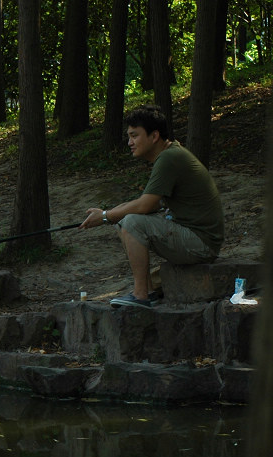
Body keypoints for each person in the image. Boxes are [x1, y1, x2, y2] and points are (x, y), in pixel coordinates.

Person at [79, 105, 225, 308]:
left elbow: (145, 205)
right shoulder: (169, 154)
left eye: (134, 136)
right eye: (129, 137)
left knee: (131, 222)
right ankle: (148, 290)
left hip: (201, 243)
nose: (129, 143)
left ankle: (141, 296)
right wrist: (108, 214)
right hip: (195, 236)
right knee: (125, 219)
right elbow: (149, 202)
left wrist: (105, 215)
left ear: (154, 136)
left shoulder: (169, 158)